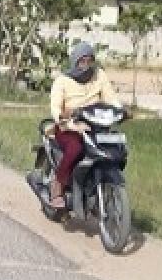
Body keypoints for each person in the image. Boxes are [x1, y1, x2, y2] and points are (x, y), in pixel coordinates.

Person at [47, 41, 120, 208]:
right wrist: (62, 115)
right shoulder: (62, 81)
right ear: (75, 61)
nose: (86, 65)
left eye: (89, 60)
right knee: (76, 149)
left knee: (115, 147)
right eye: (82, 61)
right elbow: (55, 107)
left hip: (95, 125)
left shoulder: (99, 75)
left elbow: (111, 98)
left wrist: (120, 111)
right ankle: (57, 184)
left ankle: (104, 185)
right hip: (69, 127)